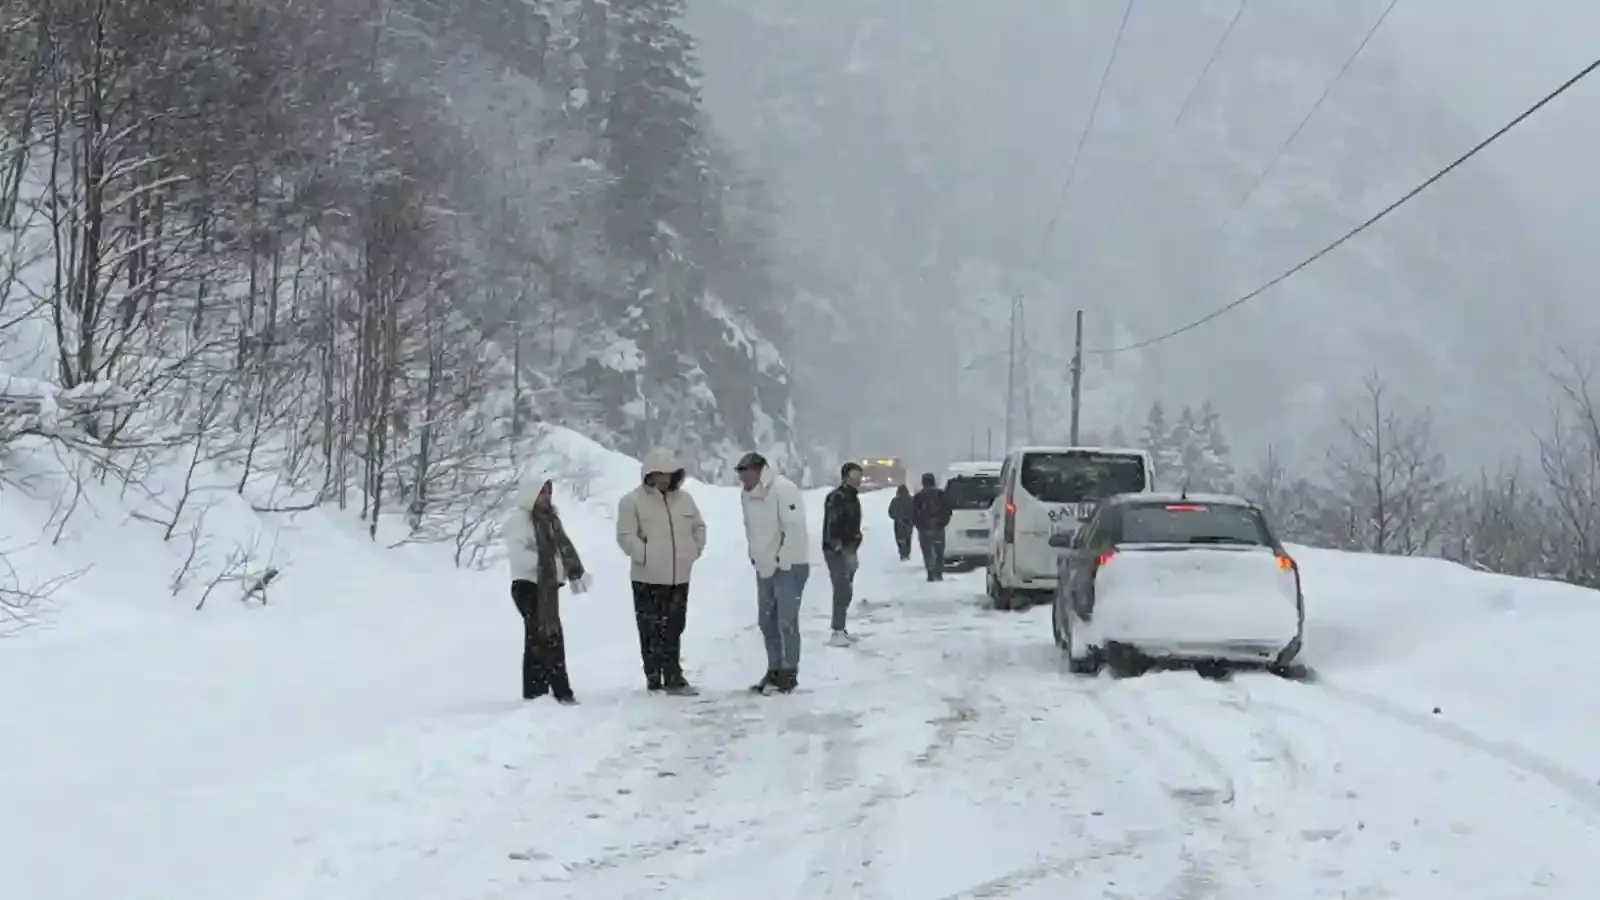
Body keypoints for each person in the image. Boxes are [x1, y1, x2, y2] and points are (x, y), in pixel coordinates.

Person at [616, 447, 707, 695]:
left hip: (679, 576)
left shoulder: (685, 500)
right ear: (650, 474)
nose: (666, 479)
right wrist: (645, 556)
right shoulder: (631, 501)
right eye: (661, 474)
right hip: (648, 578)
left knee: (675, 626)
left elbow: (699, 526)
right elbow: (625, 536)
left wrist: (694, 550)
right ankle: (654, 677)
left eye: (670, 474)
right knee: (650, 629)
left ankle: (673, 675)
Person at [503, 474, 588, 704]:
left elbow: (561, 549)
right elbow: (521, 557)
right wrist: (553, 565)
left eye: (549, 492)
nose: (547, 497)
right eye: (542, 492)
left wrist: (563, 568)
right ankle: (540, 692)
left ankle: (553, 690)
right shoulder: (519, 522)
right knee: (538, 636)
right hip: (527, 585)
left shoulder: (552, 521)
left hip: (547, 587)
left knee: (549, 636)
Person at [736, 451, 809, 694]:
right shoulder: (746, 495)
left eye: (746, 474)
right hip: (765, 566)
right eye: (740, 475)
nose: (743, 480)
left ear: (759, 471)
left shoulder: (783, 489)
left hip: (790, 565)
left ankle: (790, 671)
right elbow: (751, 529)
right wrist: (755, 556)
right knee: (766, 621)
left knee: (786, 621)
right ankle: (774, 668)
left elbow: (794, 526)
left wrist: (783, 558)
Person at [821, 462, 864, 646]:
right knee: (842, 589)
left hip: (850, 548)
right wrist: (836, 543)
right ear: (845, 477)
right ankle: (837, 630)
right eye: (853, 476)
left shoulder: (853, 497)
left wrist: (855, 541)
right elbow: (832, 523)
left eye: (859, 477)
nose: (857, 480)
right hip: (836, 550)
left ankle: (841, 627)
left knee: (847, 589)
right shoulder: (836, 497)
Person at [911, 472, 952, 581]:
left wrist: (919, 525)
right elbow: (948, 510)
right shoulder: (941, 495)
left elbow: (913, 513)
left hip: (924, 529)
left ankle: (930, 572)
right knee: (939, 552)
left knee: (927, 551)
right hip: (938, 527)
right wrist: (942, 522)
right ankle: (938, 573)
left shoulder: (918, 497)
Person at [888, 484, 914, 561]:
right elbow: (915, 510)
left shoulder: (895, 500)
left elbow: (890, 512)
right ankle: (907, 553)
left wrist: (895, 517)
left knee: (899, 537)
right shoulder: (910, 499)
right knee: (908, 537)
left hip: (898, 522)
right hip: (909, 522)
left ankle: (902, 553)